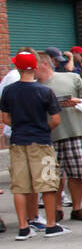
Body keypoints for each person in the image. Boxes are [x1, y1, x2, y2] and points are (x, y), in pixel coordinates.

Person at [0, 50, 68, 239]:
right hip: (41, 141)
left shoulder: (9, 90)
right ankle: (51, 225)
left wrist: (20, 126)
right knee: (47, 184)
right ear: (35, 67)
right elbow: (55, 119)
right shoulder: (45, 91)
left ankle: (23, 227)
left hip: (18, 141)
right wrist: (42, 128)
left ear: (17, 67)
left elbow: (5, 117)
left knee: (20, 186)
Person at [34, 50, 82, 222]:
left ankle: (77, 208)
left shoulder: (71, 78)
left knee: (76, 173)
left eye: (34, 66)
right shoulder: (35, 86)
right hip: (49, 136)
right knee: (53, 176)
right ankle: (57, 208)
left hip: (74, 132)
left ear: (44, 64)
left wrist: (78, 101)